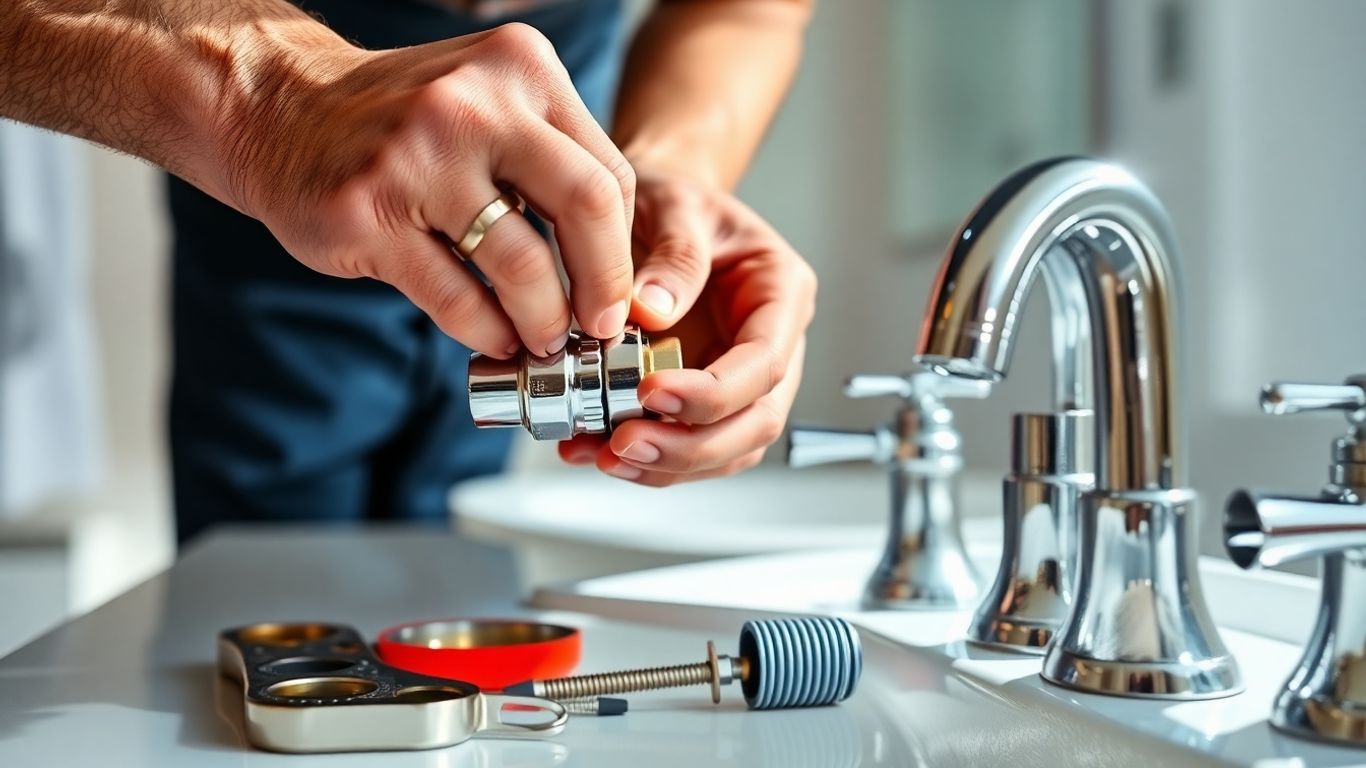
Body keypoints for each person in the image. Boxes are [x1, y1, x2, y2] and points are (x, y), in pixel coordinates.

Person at [0, 0, 817, 543]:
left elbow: (748, 12)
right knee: (273, 615)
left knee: (449, 600)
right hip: (277, 90)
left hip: (560, 91)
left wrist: (666, 172)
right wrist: (265, 96)